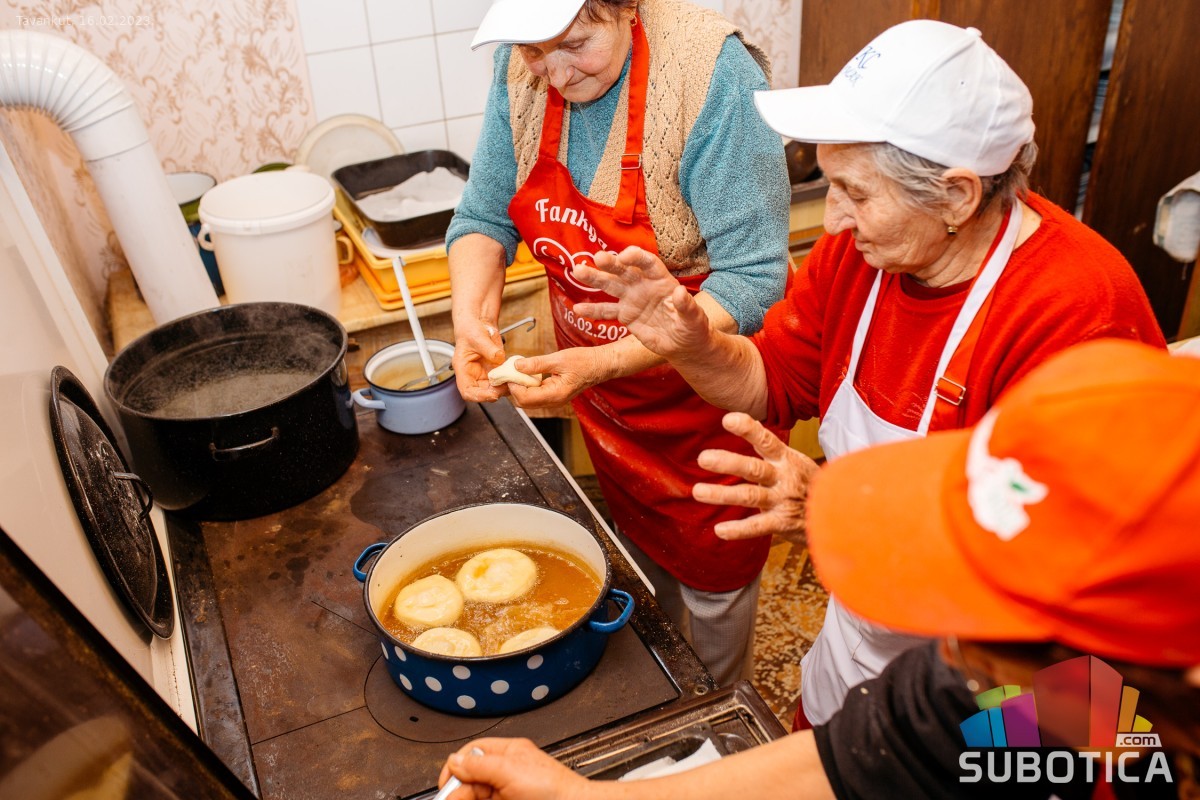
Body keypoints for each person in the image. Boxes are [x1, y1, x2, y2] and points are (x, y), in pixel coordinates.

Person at [567, 18, 1167, 725]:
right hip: (864, 638)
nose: (834, 221)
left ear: (957, 196)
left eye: (855, 192)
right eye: (831, 185)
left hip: (1001, 693)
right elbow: (772, 383)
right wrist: (691, 344)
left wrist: (834, 513)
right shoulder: (864, 255)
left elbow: (1069, 579)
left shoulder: (1079, 314)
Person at [435, 339, 1200, 799]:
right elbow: (873, 756)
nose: (952, 649)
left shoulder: (1088, 705)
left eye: (996, 623)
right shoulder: (1021, 695)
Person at [446, 0, 792, 686]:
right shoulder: (523, 65)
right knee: (639, 563)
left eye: (575, 44)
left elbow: (755, 279)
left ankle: (718, 715)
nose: (554, 74)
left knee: (714, 590)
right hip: (610, 407)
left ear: (627, 6)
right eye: (533, 52)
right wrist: (469, 321)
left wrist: (603, 361)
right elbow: (485, 214)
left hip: (709, 405)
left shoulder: (709, 72)